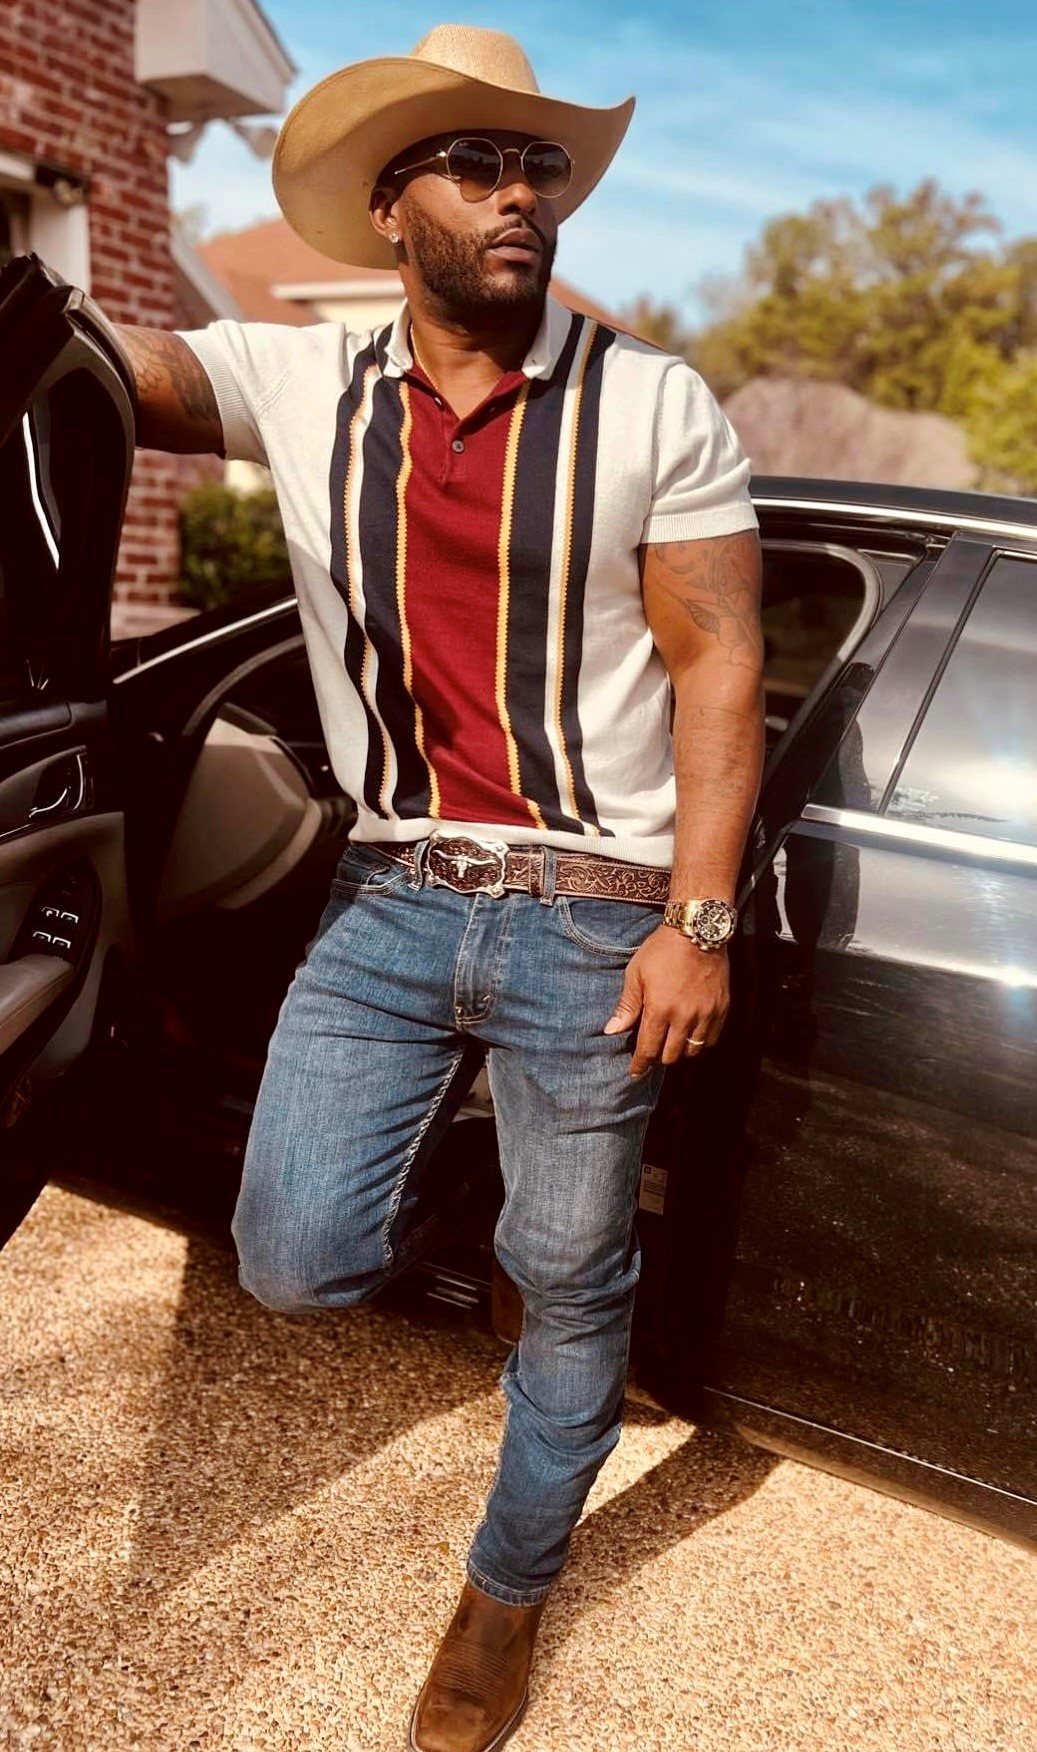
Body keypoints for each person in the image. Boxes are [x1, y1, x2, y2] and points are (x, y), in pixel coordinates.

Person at [117, 23, 763, 1752]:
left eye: (537, 165)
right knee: (292, 1258)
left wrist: (696, 922)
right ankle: (532, 1241)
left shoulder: (652, 403)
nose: (519, 194)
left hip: (597, 907)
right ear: (388, 207)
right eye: (475, 166)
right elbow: (97, 366)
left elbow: (719, 665)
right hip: (390, 895)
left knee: (571, 1280)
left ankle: (504, 1597)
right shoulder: (293, 382)